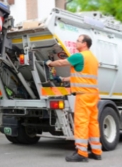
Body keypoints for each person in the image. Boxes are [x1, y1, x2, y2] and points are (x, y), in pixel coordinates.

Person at [46, 34, 102, 162]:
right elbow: (82, 76)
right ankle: (96, 151)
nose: (76, 43)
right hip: (93, 95)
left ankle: (82, 153)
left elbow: (62, 62)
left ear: (84, 44)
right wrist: (63, 79)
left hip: (83, 95)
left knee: (81, 123)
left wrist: (50, 63)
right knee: (93, 123)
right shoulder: (92, 58)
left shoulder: (79, 56)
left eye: (78, 41)